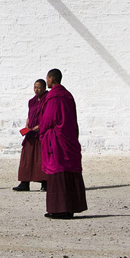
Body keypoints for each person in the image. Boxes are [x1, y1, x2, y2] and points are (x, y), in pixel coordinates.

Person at [40, 68, 87, 219]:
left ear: (52, 79)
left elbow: (48, 119)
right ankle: (70, 208)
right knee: (70, 171)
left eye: (47, 78)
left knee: (57, 172)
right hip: (69, 138)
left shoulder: (54, 97)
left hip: (57, 141)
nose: (46, 81)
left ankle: (59, 209)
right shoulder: (68, 95)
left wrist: (41, 133)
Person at [15, 78, 48, 192]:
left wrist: (40, 126)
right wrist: (28, 124)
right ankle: (25, 183)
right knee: (27, 157)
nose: (36, 90)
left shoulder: (48, 100)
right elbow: (30, 114)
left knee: (41, 158)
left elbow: (48, 116)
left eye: (39, 87)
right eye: (35, 87)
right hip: (31, 133)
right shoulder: (32, 101)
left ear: (44, 88)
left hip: (42, 133)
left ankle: (45, 183)